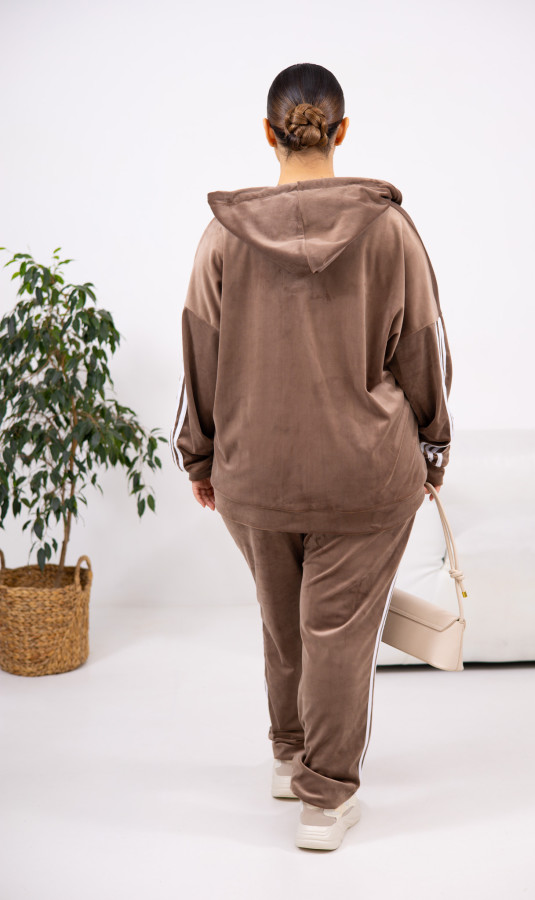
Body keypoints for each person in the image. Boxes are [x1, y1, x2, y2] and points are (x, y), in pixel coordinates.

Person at [170, 62, 454, 851]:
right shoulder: (389, 230)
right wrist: (433, 451)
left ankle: (288, 753)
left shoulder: (222, 238)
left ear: (269, 134)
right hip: (365, 476)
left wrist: (200, 458)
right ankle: (323, 801)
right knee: (336, 633)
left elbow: (199, 356)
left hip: (254, 474)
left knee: (283, 618)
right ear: (342, 131)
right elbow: (422, 352)